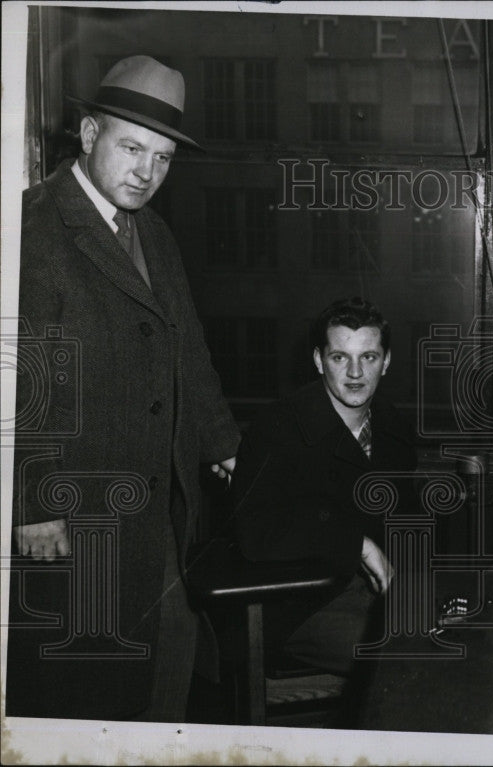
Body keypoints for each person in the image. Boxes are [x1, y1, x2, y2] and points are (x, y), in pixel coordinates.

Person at [8, 56, 240, 721]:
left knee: (165, 666)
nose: (147, 171)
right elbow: (12, 374)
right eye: (132, 147)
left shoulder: (156, 235)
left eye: (163, 158)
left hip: (159, 510)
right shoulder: (35, 227)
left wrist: (222, 441)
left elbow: (188, 349)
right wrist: (29, 498)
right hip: (74, 513)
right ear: (87, 135)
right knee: (79, 689)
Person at [230, 297, 414, 678]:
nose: (355, 372)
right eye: (339, 357)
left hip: (378, 593)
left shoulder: (392, 425)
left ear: (387, 360)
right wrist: (356, 544)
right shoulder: (276, 427)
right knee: (409, 659)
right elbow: (253, 533)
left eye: (369, 357)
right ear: (318, 361)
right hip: (301, 605)